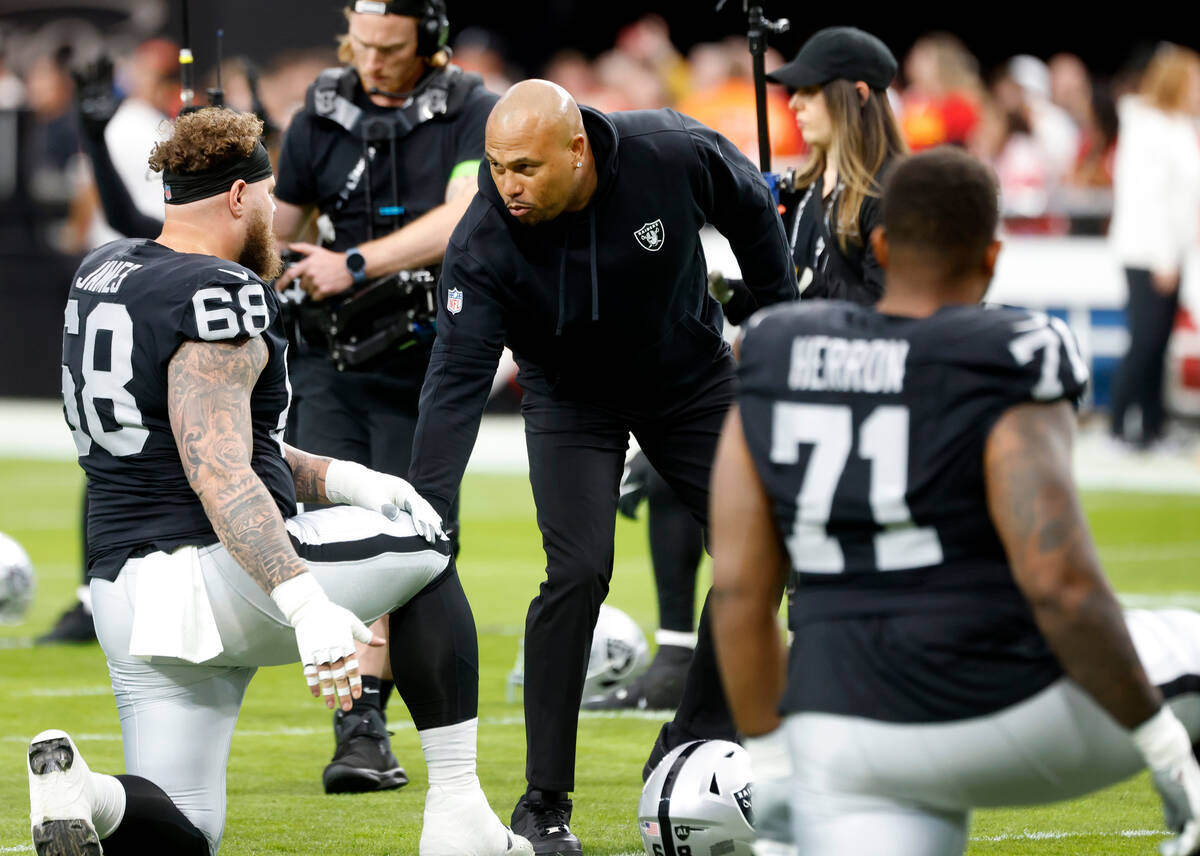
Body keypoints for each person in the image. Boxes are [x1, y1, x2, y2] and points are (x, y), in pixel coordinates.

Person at [33, 107, 529, 856]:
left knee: (187, 829)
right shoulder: (219, 289)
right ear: (238, 197)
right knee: (429, 541)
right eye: (267, 196)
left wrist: (346, 478)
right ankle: (459, 812)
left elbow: (201, 438)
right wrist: (302, 603)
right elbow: (219, 468)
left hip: (123, 592)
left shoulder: (106, 269)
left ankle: (88, 794)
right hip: (210, 572)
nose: (276, 212)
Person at [709, 147, 1200, 856]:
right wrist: (1160, 744)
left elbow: (738, 590)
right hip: (994, 708)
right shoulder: (1006, 351)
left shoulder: (778, 348)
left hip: (837, 731)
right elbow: (1060, 586)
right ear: (992, 256)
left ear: (880, 244)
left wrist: (776, 761)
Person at [406, 79, 798, 854]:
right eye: (495, 166)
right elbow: (452, 388)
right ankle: (543, 803)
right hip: (570, 400)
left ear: (577, 148)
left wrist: (777, 313)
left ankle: (687, 742)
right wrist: (428, 520)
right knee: (578, 570)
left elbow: (752, 204)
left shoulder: (670, 152)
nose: (505, 186)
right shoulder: (483, 240)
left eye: (524, 167)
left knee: (762, 551)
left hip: (690, 381)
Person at [271, 0, 498, 794]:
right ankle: (359, 727)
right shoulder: (321, 111)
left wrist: (353, 261)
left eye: (391, 49)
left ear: (433, 41)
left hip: (431, 357)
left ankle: (412, 733)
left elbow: (467, 214)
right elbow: (276, 227)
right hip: (331, 357)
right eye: (362, 44)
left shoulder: (474, 109)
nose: (371, 61)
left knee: (417, 544)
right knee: (329, 535)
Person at [1108, 44, 1200, 451]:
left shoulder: (1179, 126)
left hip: (1171, 254)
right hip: (1147, 253)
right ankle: (1118, 427)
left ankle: (1151, 427)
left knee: (1158, 342)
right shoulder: (1147, 127)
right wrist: (1165, 257)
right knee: (1145, 341)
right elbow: (1150, 199)